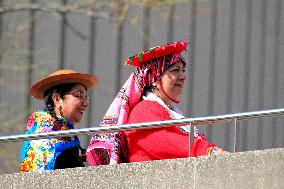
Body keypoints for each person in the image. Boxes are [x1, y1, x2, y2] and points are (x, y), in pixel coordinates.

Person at [87, 41, 224, 165]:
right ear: (154, 78)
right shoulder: (144, 110)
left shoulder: (168, 110)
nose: (183, 77)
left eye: (183, 70)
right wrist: (209, 151)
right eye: (175, 70)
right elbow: (168, 142)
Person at [20, 69, 97, 172]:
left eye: (86, 97)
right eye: (78, 95)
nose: (86, 103)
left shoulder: (66, 135)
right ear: (57, 99)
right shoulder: (44, 136)